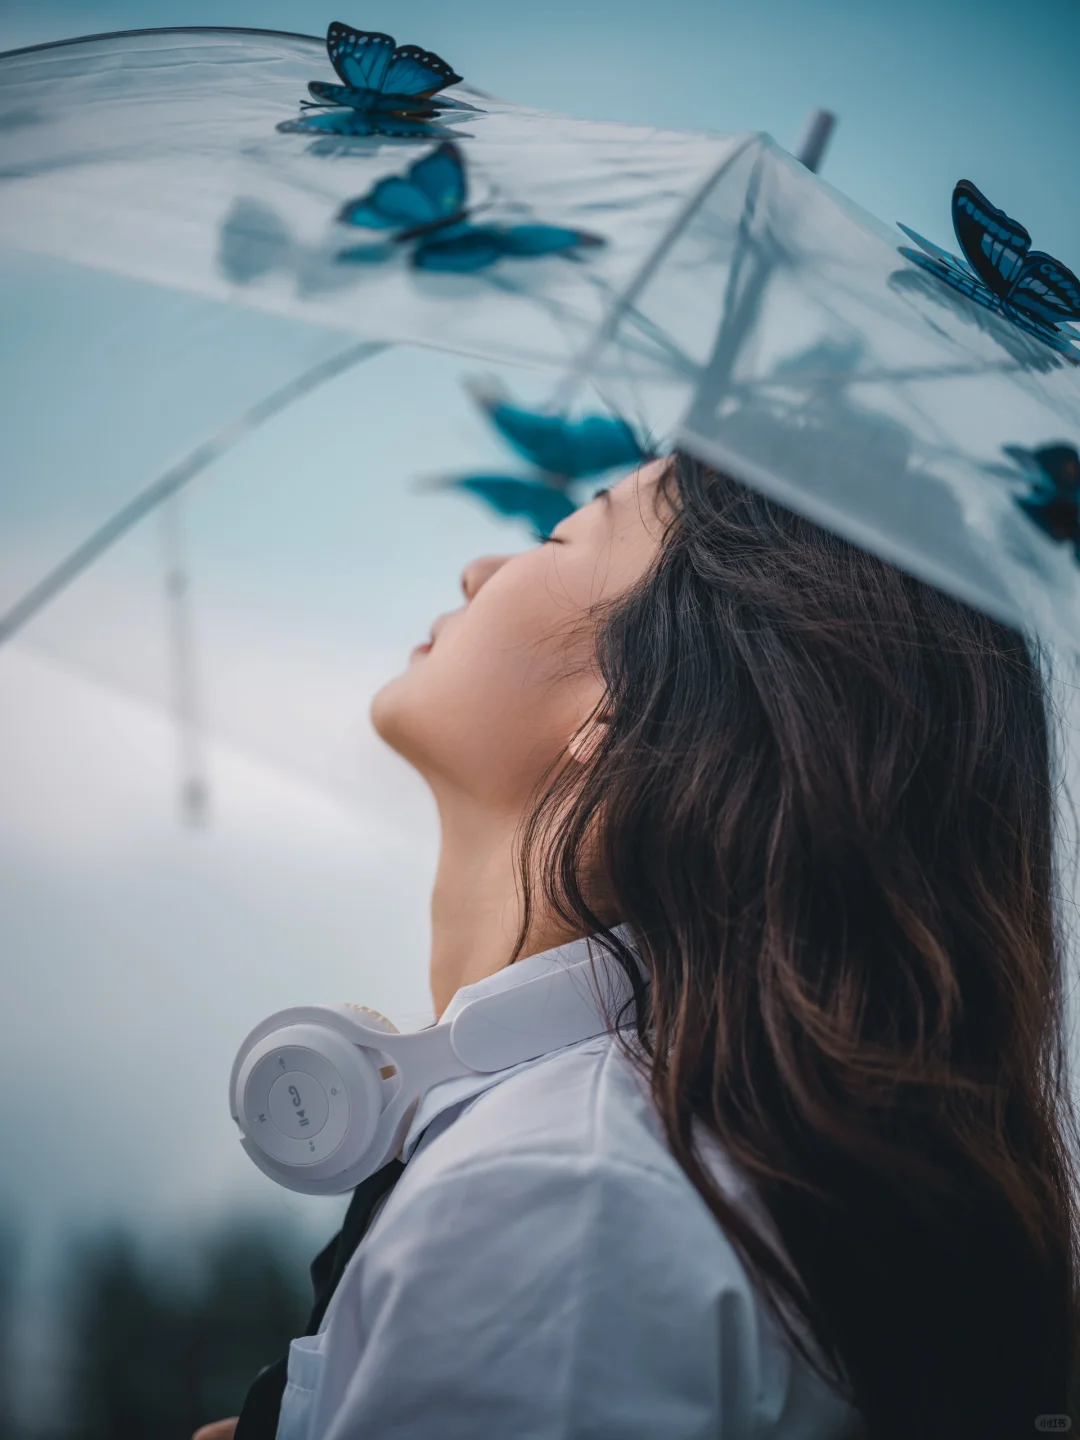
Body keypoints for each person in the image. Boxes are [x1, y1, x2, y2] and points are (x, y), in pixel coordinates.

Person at [197, 453, 1080, 1440]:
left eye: (555, 538)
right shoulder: (627, 1167)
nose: (478, 570)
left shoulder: (555, 1201)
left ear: (621, 707)